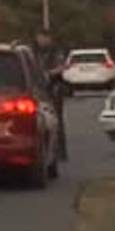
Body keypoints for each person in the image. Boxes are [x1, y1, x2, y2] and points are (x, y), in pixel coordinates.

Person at [33, 29, 69, 162]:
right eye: (39, 38)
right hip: (39, 90)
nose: (41, 40)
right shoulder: (34, 52)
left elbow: (62, 66)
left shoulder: (55, 51)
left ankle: (61, 152)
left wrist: (49, 73)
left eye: (43, 38)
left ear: (49, 38)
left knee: (56, 120)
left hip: (54, 88)